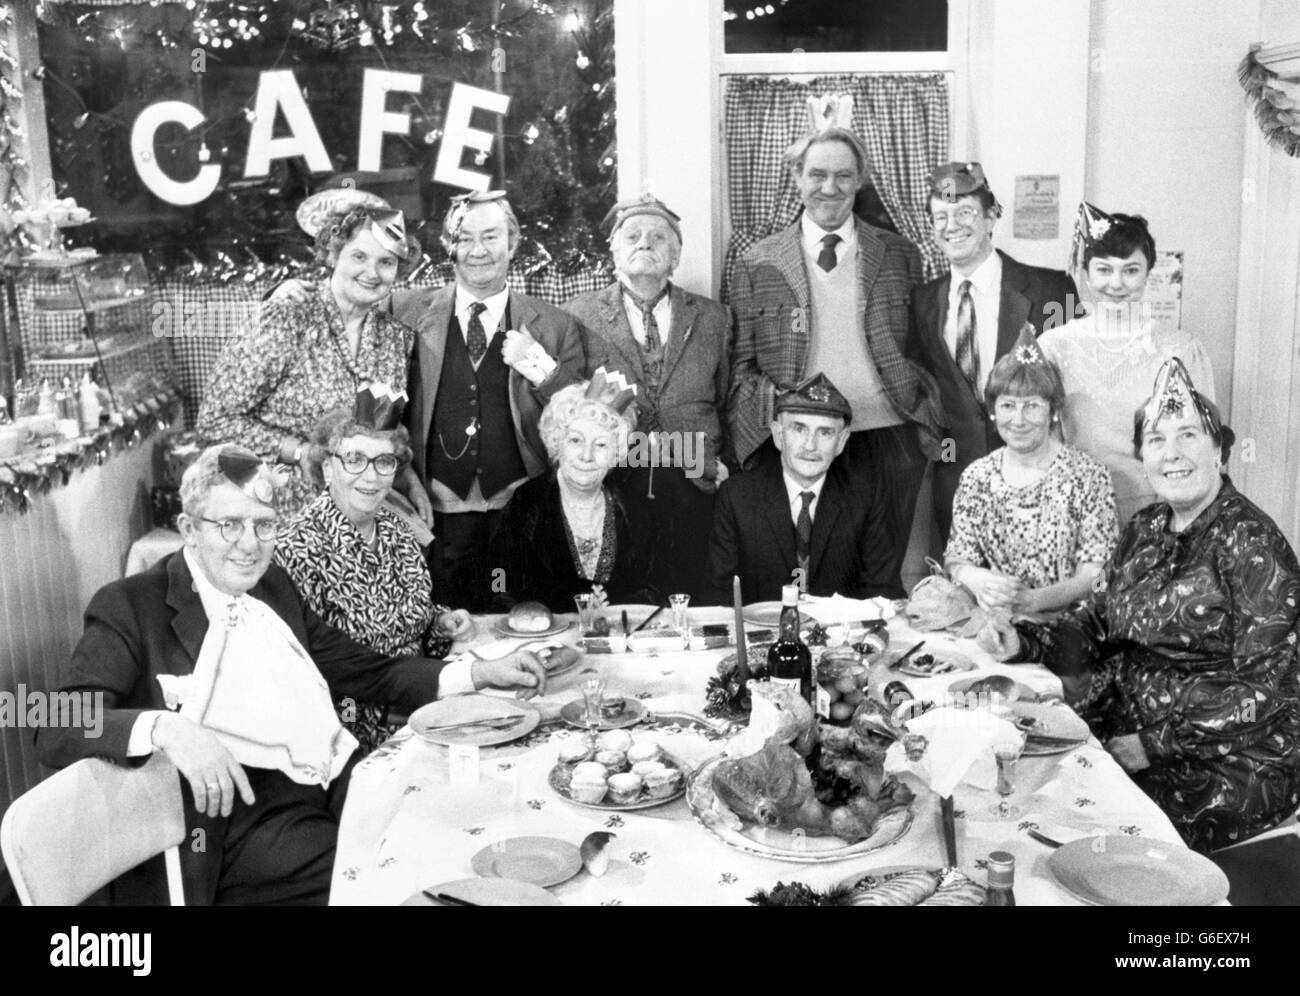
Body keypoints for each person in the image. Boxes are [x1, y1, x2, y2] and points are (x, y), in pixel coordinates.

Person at [36, 444, 547, 904]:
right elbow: (54, 723)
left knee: (452, 824)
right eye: (228, 525)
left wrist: (478, 675)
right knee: (397, 880)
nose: (248, 544)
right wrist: (164, 728)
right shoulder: (131, 605)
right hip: (228, 834)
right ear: (190, 529)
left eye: (263, 524)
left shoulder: (272, 587)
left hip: (326, 789)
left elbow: (367, 671)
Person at [980, 360, 1300, 853]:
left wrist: (1150, 744)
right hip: (1123, 732)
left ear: (1220, 450)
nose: (1172, 454)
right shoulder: (1145, 527)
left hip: (1225, 765)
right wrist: (1023, 638)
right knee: (1005, 792)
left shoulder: (1253, 543)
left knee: (1076, 843)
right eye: (1155, 439)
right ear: (1142, 456)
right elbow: (1097, 622)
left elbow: (1264, 689)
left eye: (1189, 436)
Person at [728, 105, 944, 594]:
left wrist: (922, 406)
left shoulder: (901, 254)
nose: (830, 187)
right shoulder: (756, 262)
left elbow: (925, 348)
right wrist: (780, 420)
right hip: (800, 440)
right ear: (796, 177)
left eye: (844, 176)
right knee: (797, 574)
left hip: (886, 439)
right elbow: (740, 365)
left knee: (878, 580)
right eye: (818, 174)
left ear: (861, 181)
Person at [394, 191, 586, 609]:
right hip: (437, 508)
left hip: (520, 509)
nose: (477, 250)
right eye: (464, 238)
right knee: (447, 621)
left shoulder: (556, 325)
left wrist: (538, 364)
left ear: (513, 244)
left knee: (517, 614)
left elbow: (581, 414)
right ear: (450, 247)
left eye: (491, 237)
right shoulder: (405, 311)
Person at [274, 387, 476, 755]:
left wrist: (442, 623)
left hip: (421, 699)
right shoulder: (295, 548)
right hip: (352, 728)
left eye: (384, 462)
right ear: (327, 467)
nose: (370, 477)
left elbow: (416, 621)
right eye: (354, 459)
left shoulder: (398, 529)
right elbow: (319, 669)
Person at [197, 191, 419, 514]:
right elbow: (214, 423)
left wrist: (408, 480)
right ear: (332, 255)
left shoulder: (395, 338)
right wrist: (299, 452)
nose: (372, 272)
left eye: (386, 262)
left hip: (359, 516)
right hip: (280, 514)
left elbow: (380, 430)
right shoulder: (287, 316)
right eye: (359, 257)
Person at [564, 194, 732, 600]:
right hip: (618, 474)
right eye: (633, 236)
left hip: (696, 472)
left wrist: (724, 461)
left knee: (693, 589)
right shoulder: (578, 315)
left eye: (658, 238)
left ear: (675, 257)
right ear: (614, 252)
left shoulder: (713, 318)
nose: (645, 244)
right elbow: (570, 397)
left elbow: (727, 395)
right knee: (626, 590)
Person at [911, 162, 1079, 541]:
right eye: (941, 216)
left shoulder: (1052, 290)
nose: (952, 225)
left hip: (1038, 478)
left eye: (965, 212)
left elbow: (1076, 389)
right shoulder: (922, 303)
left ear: (991, 217)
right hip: (955, 485)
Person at [1039, 203, 1215, 525]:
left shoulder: (1179, 350)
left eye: (1130, 270)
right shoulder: (1054, 347)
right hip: (1074, 510)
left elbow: (1202, 448)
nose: (1116, 283)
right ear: (1087, 274)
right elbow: (1039, 438)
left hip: (1160, 511)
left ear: (1148, 272)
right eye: (1104, 270)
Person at [944, 324, 1117, 618]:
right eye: (1008, 405)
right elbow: (956, 559)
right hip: (995, 622)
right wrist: (978, 579)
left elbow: (1099, 575)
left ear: (1053, 411)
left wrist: (1036, 601)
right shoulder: (977, 477)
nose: (1019, 420)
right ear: (993, 410)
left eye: (1032, 406)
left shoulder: (1089, 476)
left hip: (1074, 630)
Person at [705, 373, 896, 605]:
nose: (810, 445)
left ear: (842, 441)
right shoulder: (737, 496)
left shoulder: (865, 496)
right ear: (778, 435)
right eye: (799, 429)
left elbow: (882, 591)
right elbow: (719, 594)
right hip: (761, 633)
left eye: (825, 433)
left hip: (838, 636)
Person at [488, 370, 659, 613]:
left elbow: (653, 587)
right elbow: (498, 578)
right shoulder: (525, 502)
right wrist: (511, 610)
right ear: (557, 442)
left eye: (601, 444)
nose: (587, 456)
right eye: (576, 441)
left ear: (616, 453)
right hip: (544, 642)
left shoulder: (636, 509)